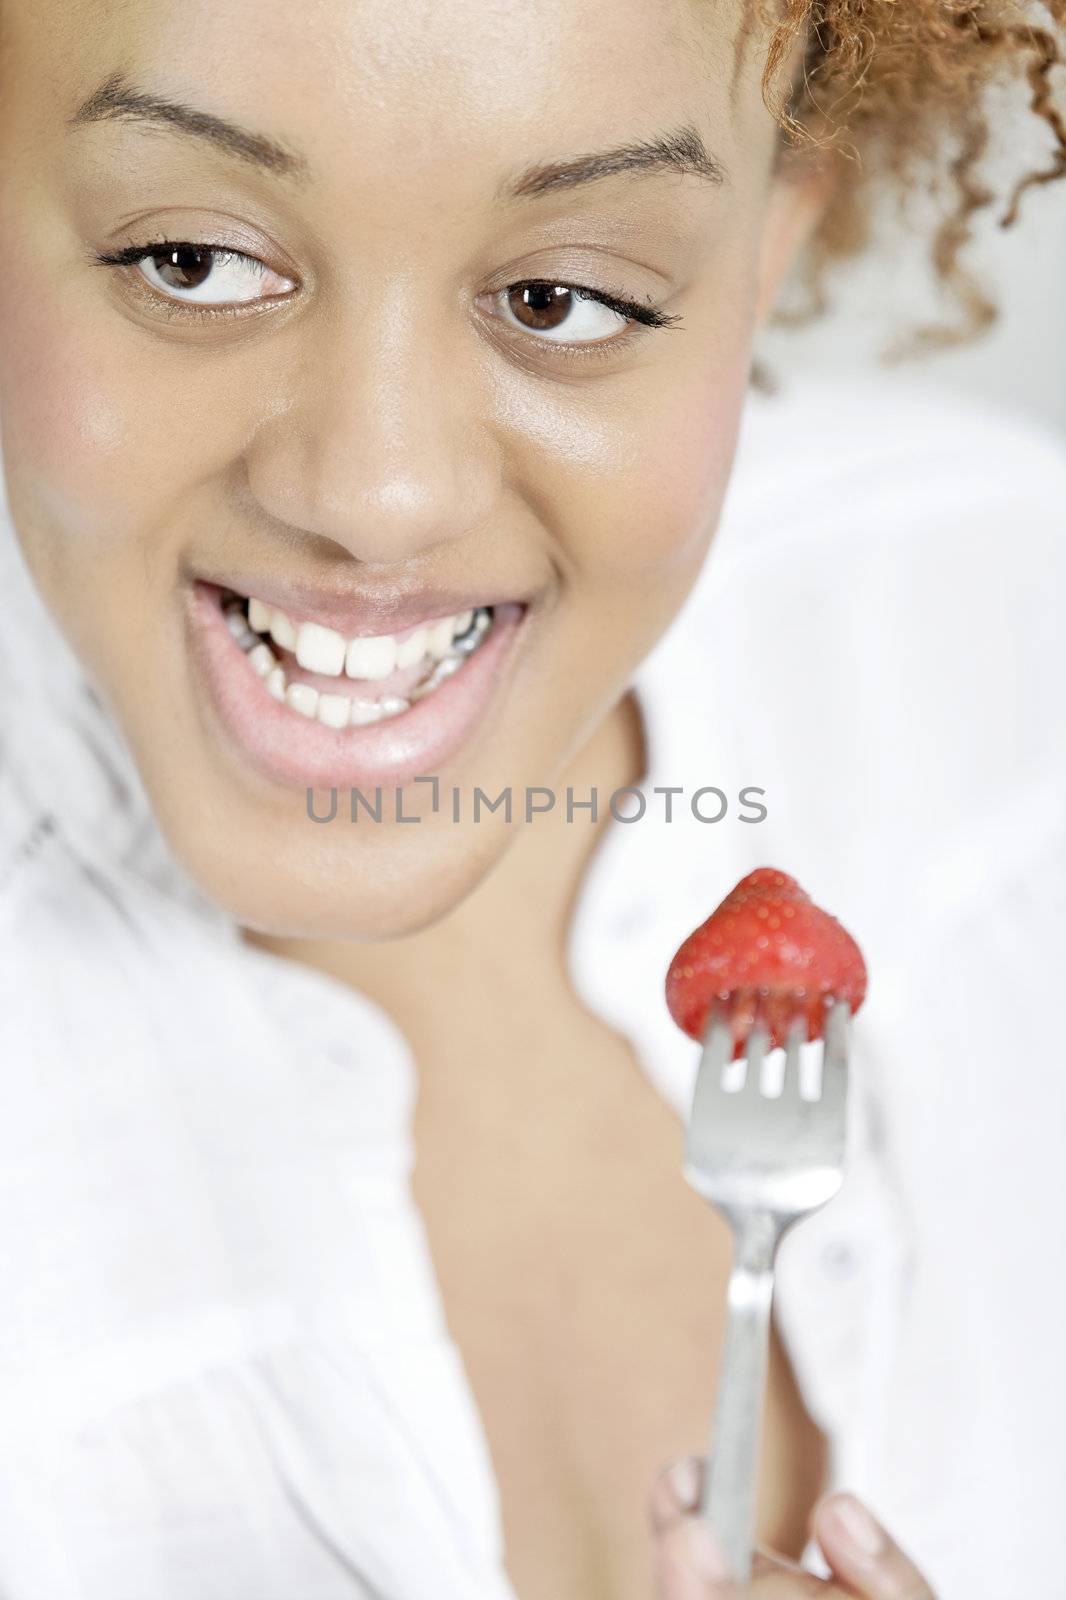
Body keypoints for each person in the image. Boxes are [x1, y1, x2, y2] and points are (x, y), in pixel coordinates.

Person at [0, 0, 1063, 1597]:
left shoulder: (1002, 627)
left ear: (760, 260)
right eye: (192, 262)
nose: (376, 492)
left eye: (563, 296)